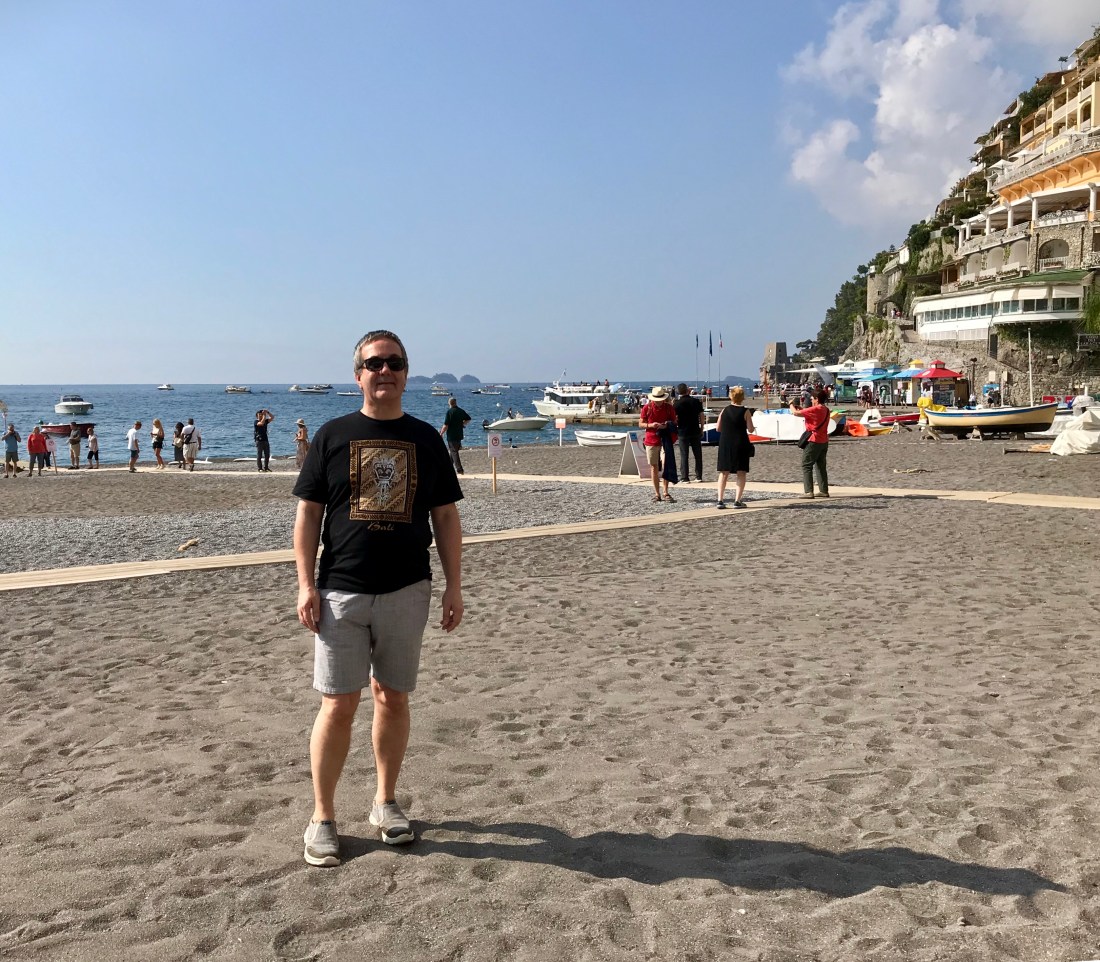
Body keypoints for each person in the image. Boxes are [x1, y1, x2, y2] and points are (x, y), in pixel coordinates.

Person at [293, 329, 464, 868]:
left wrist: (454, 585)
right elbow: (309, 514)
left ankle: (385, 802)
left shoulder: (425, 439)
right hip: (339, 591)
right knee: (337, 704)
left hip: (407, 589)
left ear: (406, 374)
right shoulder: (332, 435)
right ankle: (322, 817)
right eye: (374, 364)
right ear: (358, 375)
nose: (384, 371)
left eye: (394, 362)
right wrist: (304, 584)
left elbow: (445, 517)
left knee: (392, 698)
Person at [715, 386, 755, 509]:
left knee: (724, 472)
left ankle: (720, 500)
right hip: (740, 442)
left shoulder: (724, 410)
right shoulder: (745, 411)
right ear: (742, 398)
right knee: (741, 472)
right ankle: (737, 501)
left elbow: (718, 428)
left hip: (726, 442)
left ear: (731, 397)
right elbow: (750, 429)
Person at [639, 386, 678, 503]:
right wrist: (651, 425)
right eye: (657, 400)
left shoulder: (669, 408)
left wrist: (666, 425)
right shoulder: (647, 408)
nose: (659, 402)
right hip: (651, 439)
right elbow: (640, 423)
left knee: (666, 464)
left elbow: (675, 422)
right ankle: (657, 493)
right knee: (654, 466)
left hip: (665, 439)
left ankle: (665, 492)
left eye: (660, 399)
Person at [790, 388, 831, 499]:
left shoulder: (816, 408)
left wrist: (790, 404)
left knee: (806, 465)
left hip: (814, 440)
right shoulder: (826, 409)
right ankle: (823, 490)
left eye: (812, 398)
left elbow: (795, 413)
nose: (811, 400)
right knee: (821, 466)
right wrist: (801, 409)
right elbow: (808, 413)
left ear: (817, 399)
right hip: (824, 440)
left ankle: (808, 492)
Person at [673, 383, 705, 483]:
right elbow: (701, 416)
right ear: (688, 390)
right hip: (695, 429)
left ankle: (685, 477)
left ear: (678, 391)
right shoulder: (696, 401)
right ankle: (698, 476)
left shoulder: (677, 403)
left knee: (684, 454)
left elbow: (675, 419)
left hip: (682, 431)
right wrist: (702, 428)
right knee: (698, 454)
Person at [439, 396, 471, 475]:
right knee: (452, 452)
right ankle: (448, 468)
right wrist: (462, 424)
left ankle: (459, 470)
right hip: (459, 434)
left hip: (451, 435)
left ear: (449, 403)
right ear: (455, 403)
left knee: (454, 452)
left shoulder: (449, 412)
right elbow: (468, 419)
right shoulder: (460, 411)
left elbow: (446, 425)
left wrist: (441, 433)